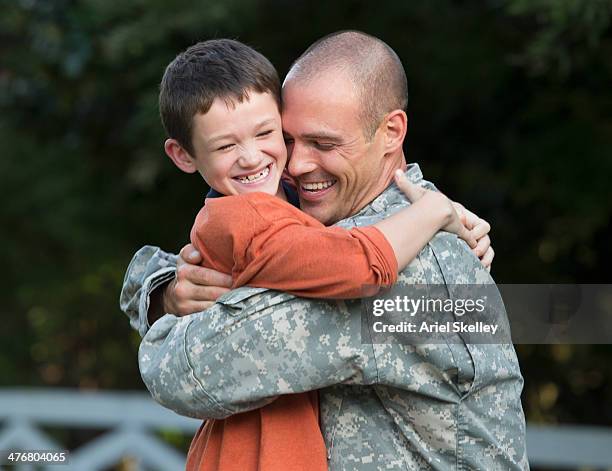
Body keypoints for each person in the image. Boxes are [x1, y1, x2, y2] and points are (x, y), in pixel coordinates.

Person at [121, 31, 528, 470]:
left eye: (323, 144)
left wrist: (166, 322)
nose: (294, 166)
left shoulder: (407, 268)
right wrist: (166, 292)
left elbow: (186, 371)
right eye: (290, 140)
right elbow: (190, 258)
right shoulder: (341, 224)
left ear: (391, 131)